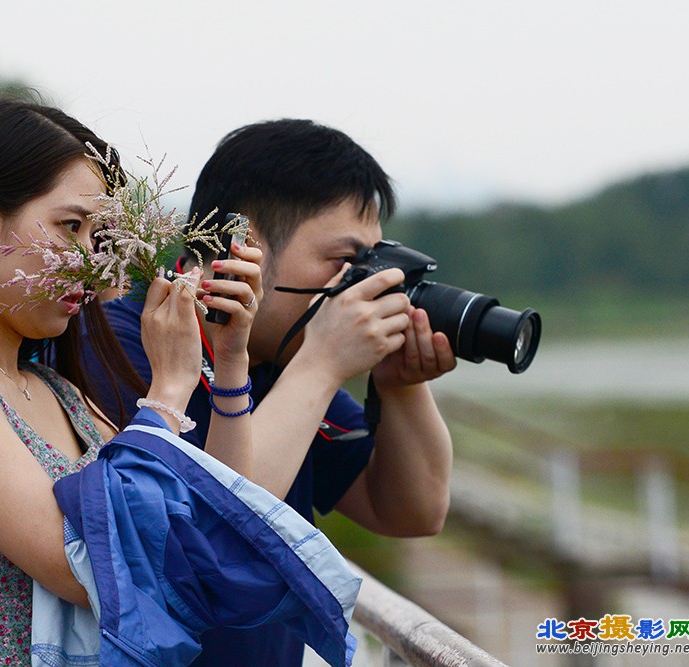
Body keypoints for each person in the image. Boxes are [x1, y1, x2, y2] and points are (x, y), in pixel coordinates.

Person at [0, 96, 265, 664]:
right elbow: (93, 569)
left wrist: (230, 362)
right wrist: (168, 391)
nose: (90, 262)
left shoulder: (58, 393)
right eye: (70, 226)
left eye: (98, 238)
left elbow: (218, 533)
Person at [86, 118, 458, 666]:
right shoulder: (125, 344)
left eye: (372, 264)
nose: (364, 285)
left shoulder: (286, 364)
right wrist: (324, 361)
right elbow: (224, 529)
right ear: (243, 246)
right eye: (345, 262)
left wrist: (399, 385)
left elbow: (411, 510)